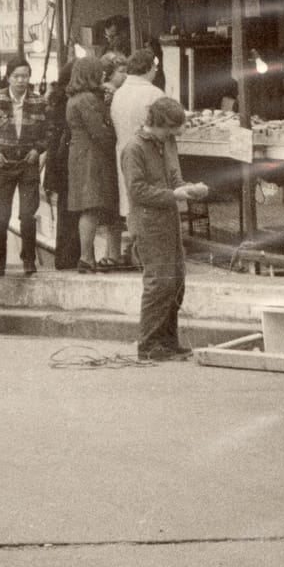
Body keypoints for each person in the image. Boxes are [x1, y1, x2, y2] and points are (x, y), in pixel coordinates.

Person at [120, 96, 208, 360]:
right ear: (157, 124)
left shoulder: (167, 142)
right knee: (159, 284)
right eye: (170, 129)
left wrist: (188, 188)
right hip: (148, 222)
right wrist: (175, 195)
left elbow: (173, 177)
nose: (173, 134)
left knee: (176, 282)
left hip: (169, 220)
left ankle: (169, 340)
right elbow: (137, 191)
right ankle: (148, 345)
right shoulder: (133, 148)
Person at [0, 56, 48, 276]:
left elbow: (47, 133)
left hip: (27, 164)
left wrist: (37, 150)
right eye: (17, 76)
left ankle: (29, 261)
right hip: (3, 164)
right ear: (8, 77)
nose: (21, 80)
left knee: (27, 215)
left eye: (25, 76)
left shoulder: (39, 101)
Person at [66, 56, 122, 271]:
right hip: (94, 156)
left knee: (92, 205)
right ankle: (87, 258)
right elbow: (100, 132)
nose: (102, 75)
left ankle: (94, 256)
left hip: (81, 155)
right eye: (98, 72)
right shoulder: (87, 99)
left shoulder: (75, 98)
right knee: (93, 205)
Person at [109, 46, 168, 235]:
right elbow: (164, 128)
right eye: (155, 68)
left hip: (124, 152)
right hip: (148, 154)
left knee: (131, 199)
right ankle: (148, 245)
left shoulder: (119, 93)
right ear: (148, 68)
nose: (156, 71)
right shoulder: (154, 93)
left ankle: (136, 241)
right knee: (150, 199)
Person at [44, 59, 81, 271]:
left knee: (65, 211)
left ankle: (64, 257)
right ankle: (69, 256)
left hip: (57, 162)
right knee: (72, 209)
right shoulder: (69, 102)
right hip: (68, 160)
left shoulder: (57, 100)